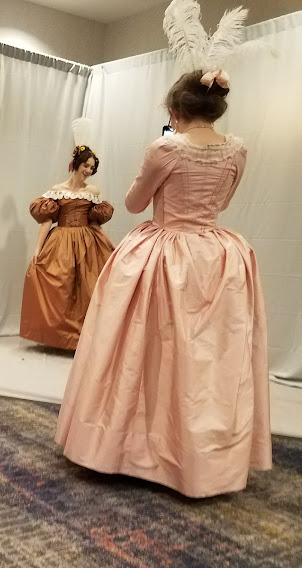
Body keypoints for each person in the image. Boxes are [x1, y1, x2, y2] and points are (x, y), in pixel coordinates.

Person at [55, 70, 272, 498]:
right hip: (218, 256)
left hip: (165, 253)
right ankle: (200, 457)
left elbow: (136, 203)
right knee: (206, 356)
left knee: (145, 347)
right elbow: (223, 201)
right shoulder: (237, 150)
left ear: (175, 110)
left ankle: (124, 446)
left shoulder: (165, 147)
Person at [20, 145, 114, 351]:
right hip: (60, 242)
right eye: (86, 166)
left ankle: (83, 339)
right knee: (60, 287)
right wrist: (37, 249)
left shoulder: (92, 192)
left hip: (86, 242)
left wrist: (111, 245)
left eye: (92, 168)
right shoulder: (57, 190)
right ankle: (61, 338)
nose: (88, 171)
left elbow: (94, 223)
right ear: (77, 164)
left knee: (86, 288)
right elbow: (47, 222)